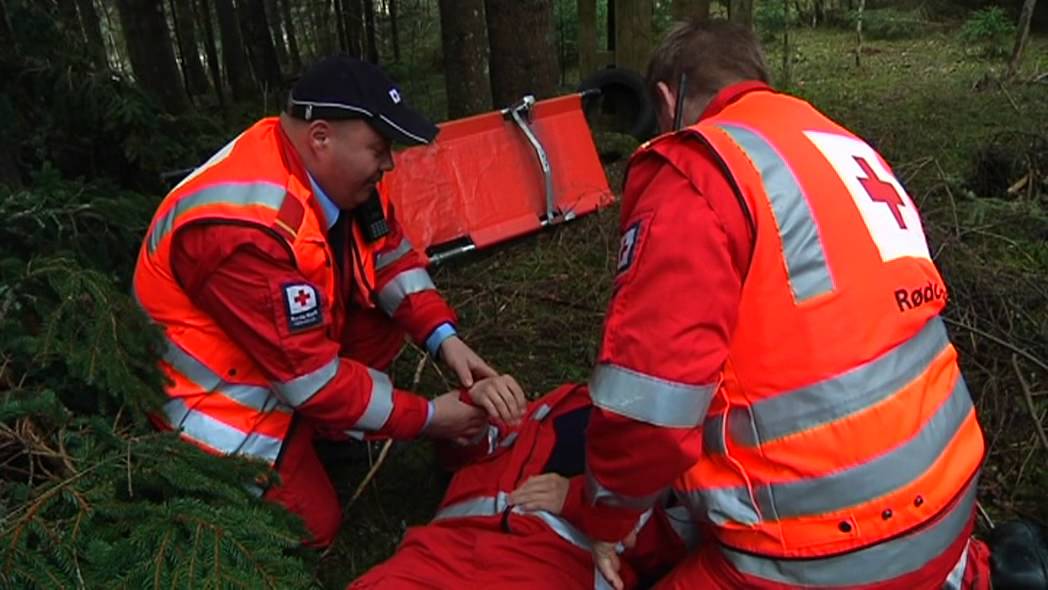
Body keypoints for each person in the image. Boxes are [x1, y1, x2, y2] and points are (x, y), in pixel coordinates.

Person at [562, 20, 991, 589]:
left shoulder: (700, 171)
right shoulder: (836, 143)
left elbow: (651, 409)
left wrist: (607, 517)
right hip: (952, 504)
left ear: (667, 99)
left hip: (826, 545)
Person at [132, 55, 527, 548]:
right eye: (379, 148)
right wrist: (429, 418)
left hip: (285, 359)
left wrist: (445, 339)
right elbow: (312, 379)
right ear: (320, 137)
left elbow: (391, 261)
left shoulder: (344, 183)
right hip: (215, 408)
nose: (389, 164)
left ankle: (334, 434)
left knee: (379, 321)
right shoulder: (240, 231)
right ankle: (257, 460)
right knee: (313, 525)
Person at [350, 384, 694, 590]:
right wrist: (472, 404)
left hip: (551, 566)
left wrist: (582, 501)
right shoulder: (552, 407)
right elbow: (466, 450)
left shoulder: (671, 436)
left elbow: (678, 538)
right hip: (441, 550)